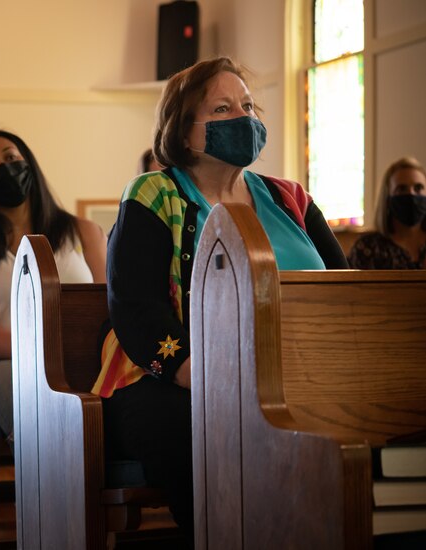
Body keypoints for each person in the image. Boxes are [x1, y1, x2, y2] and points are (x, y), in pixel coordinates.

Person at [92, 57, 349, 535]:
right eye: (223, 109)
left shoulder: (289, 197)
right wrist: (208, 378)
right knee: (198, 430)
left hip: (291, 370)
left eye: (248, 106)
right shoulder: (153, 194)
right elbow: (135, 308)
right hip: (168, 379)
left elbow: (344, 288)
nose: (244, 118)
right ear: (182, 129)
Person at [0, 130, 107, 442]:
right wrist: (41, 351)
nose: (3, 169)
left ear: (27, 162)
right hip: (4, 364)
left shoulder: (84, 232)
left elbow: (106, 303)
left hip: (84, 357)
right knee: (37, 414)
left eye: (10, 158)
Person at [348, 156, 426, 269]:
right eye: (401, 189)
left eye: (418, 188)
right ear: (387, 199)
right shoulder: (367, 249)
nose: (411, 194)